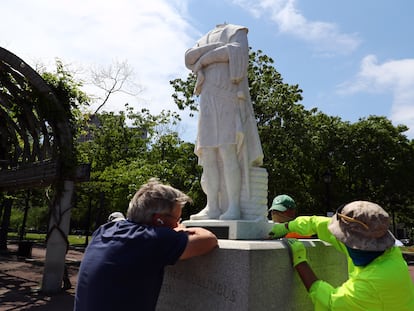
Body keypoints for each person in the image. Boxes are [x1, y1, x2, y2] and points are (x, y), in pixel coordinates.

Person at [74, 178, 218, 311]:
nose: (178, 224)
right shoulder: (150, 239)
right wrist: (181, 230)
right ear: (159, 220)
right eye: (177, 219)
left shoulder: (104, 231)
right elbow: (209, 239)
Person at [269, 200, 414, 310]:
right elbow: (317, 224)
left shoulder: (370, 284)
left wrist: (300, 262)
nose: (340, 240)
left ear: (355, 244)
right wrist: (287, 227)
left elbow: (330, 302)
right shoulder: (387, 250)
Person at [185, 23, 263, 220]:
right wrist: (211, 53)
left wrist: (203, 59)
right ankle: (213, 206)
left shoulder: (237, 30)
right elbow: (188, 58)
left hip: (228, 94)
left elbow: (237, 52)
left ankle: (234, 207)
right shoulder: (205, 36)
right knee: (209, 153)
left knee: (228, 151)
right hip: (208, 100)